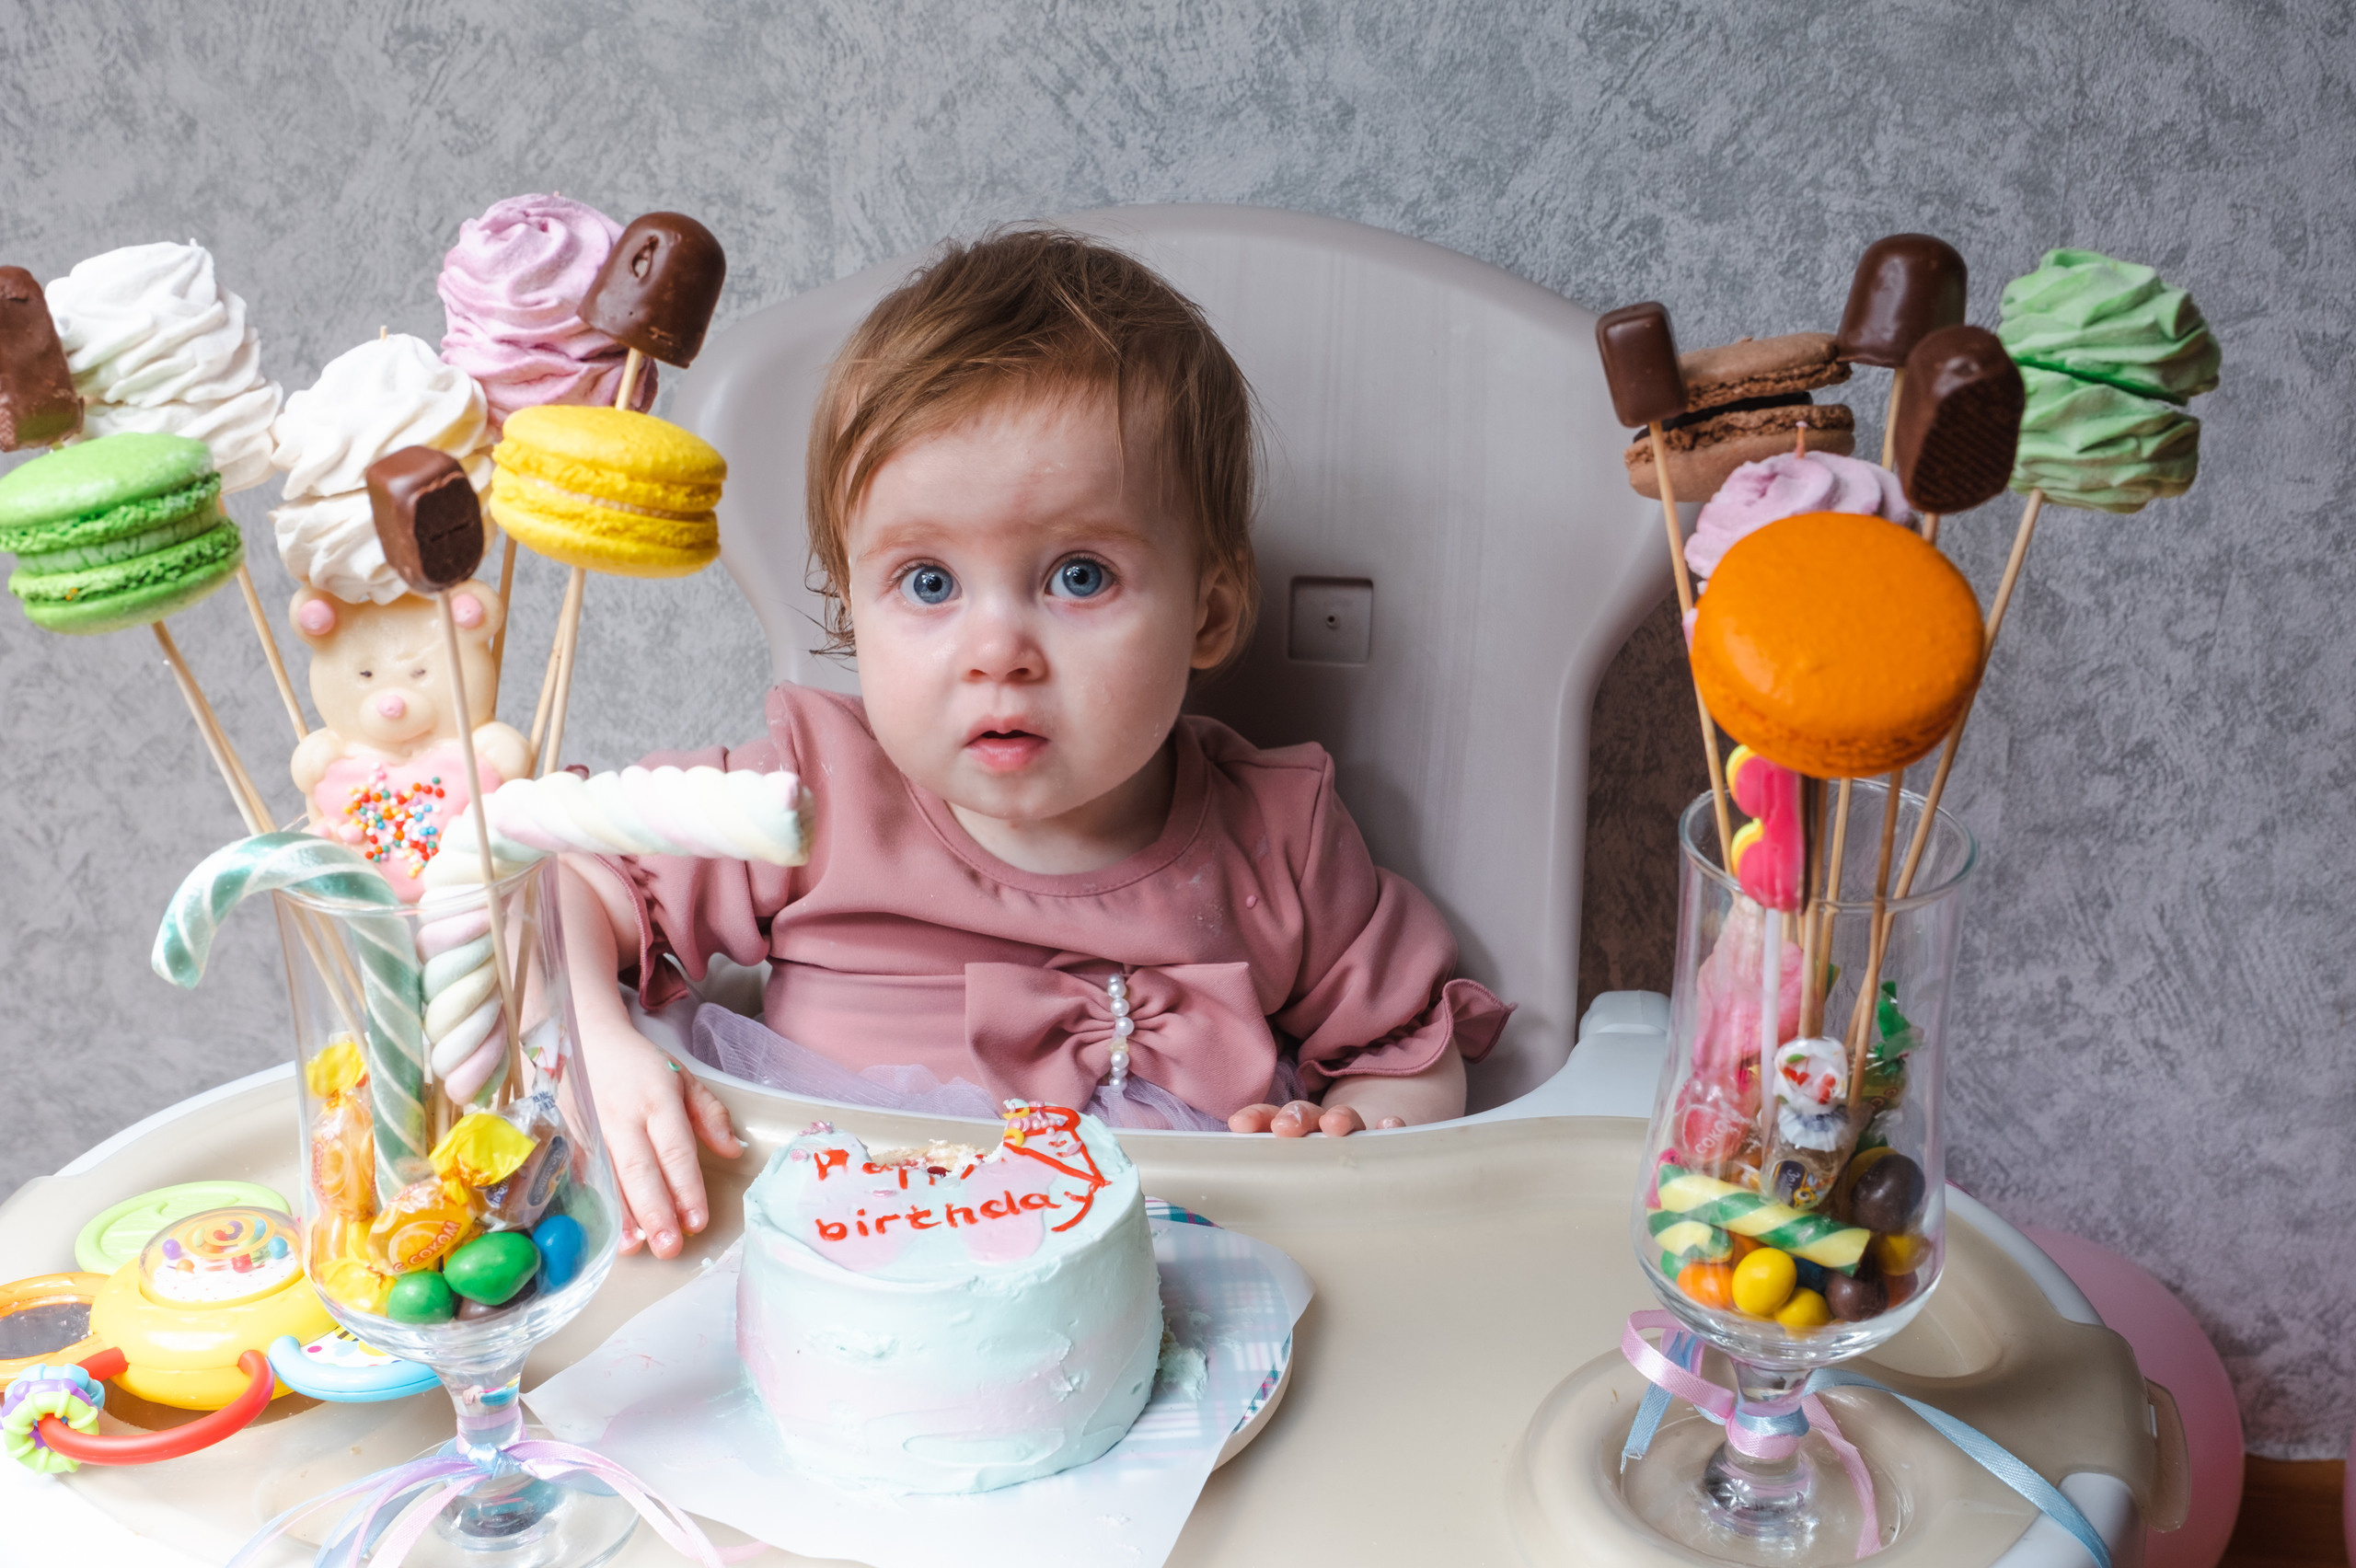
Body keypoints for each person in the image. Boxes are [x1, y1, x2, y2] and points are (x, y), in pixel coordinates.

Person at [560, 228, 1511, 1257]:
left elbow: (1406, 1051)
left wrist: (1357, 1132)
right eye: (928, 583)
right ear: (850, 611)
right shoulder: (812, 795)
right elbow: (557, 871)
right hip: (837, 1287)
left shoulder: (1274, 838)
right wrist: (591, 1044)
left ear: (1208, 610)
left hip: (1179, 1294)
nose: (998, 652)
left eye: (1079, 576)